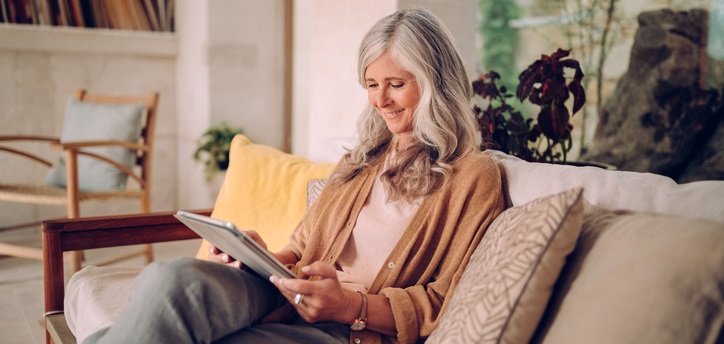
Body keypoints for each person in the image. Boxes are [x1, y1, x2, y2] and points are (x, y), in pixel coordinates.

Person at [84, 7, 504, 344]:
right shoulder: (361, 160)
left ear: (435, 83)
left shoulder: (473, 176)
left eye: (395, 83)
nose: (380, 100)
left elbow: (442, 300)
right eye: (371, 84)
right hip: (285, 294)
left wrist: (349, 306)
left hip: (346, 329)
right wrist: (257, 257)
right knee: (170, 277)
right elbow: (301, 248)